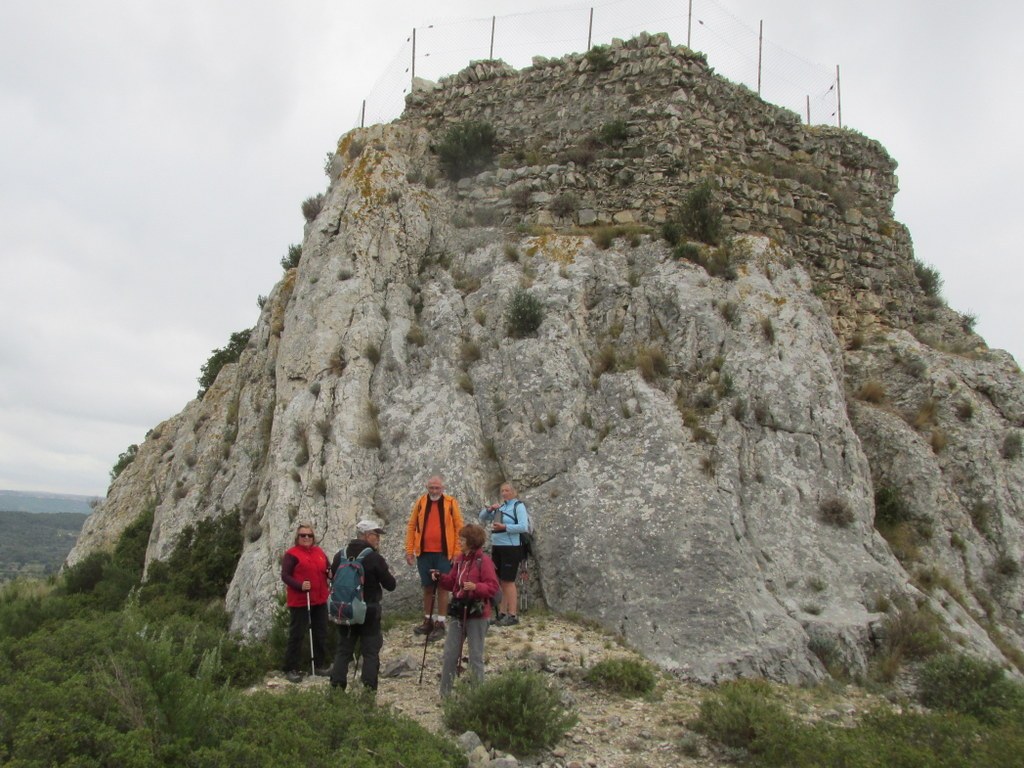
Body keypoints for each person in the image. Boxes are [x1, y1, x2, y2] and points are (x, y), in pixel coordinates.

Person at [329, 518, 396, 693]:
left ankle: (336, 690)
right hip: (369, 612)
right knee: (370, 653)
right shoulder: (374, 558)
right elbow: (391, 584)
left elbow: (332, 577)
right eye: (375, 535)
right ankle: (368, 692)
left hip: (345, 610)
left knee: (344, 650)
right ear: (366, 535)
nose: (378, 539)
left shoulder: (340, 555)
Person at [433, 524, 499, 696]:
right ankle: (445, 694)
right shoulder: (460, 560)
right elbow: (452, 582)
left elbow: (493, 587)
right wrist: (440, 578)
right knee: (449, 654)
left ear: (471, 542)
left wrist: (476, 587)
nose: (459, 542)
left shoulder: (484, 561)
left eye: (462, 539)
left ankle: (478, 696)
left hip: (477, 614)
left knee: (475, 656)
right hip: (459, 610)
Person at [405, 474, 463, 642]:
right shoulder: (421, 503)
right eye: (432, 488)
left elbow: (459, 526)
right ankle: (428, 620)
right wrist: (409, 550)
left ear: (442, 488)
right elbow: (411, 525)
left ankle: (441, 622)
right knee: (428, 587)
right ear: (427, 487)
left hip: (444, 553)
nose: (434, 491)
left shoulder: (451, 503)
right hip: (424, 553)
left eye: (437, 488)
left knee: (443, 587)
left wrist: (457, 552)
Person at [280, 524, 331, 683]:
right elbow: (285, 575)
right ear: (297, 537)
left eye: (309, 535)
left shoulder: (319, 552)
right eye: (303, 535)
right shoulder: (292, 555)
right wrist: (300, 586)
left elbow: (328, 567)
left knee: (320, 632)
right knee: (297, 634)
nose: (306, 538)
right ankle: (290, 668)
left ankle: (319, 665)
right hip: (301, 600)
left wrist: (330, 572)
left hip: (320, 599)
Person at [479, 482, 529, 626]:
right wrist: (490, 509)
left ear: (513, 492)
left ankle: (512, 615)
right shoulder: (501, 507)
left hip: (511, 547)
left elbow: (523, 526)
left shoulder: (518, 506)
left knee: (508, 581)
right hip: (498, 546)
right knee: (501, 580)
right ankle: (502, 613)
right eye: (502, 491)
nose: (504, 493)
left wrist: (505, 527)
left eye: (507, 490)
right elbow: (482, 516)